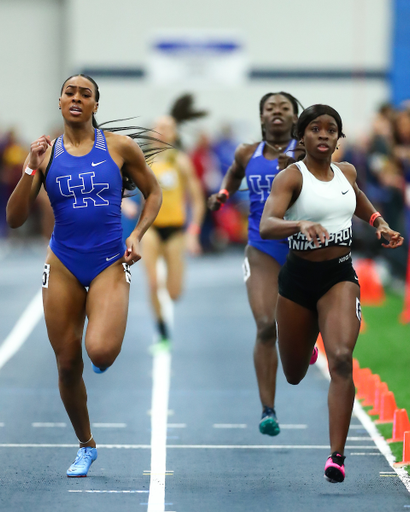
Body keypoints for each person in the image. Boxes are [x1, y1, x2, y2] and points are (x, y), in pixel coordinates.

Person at [6, 74, 162, 478]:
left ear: (95, 104)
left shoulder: (119, 147)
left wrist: (139, 235)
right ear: (60, 102)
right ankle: (86, 445)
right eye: (70, 92)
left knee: (101, 353)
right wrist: (29, 168)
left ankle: (101, 338)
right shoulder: (45, 153)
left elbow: (154, 193)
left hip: (110, 260)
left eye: (85, 94)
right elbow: (15, 218)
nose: (77, 98)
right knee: (66, 364)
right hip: (62, 263)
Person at [260, 104, 403, 483]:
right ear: (302, 136)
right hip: (296, 281)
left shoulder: (347, 172)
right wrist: (300, 223)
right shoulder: (291, 178)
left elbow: (355, 197)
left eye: (331, 130)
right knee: (292, 374)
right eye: (315, 129)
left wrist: (379, 223)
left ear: (338, 138)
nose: (323, 135)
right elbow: (267, 224)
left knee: (340, 358)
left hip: (339, 276)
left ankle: (336, 456)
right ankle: (305, 345)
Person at [208, 92, 315, 437]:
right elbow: (234, 174)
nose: (277, 113)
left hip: (303, 247)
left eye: (285, 108)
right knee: (266, 324)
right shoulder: (245, 152)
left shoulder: (307, 153)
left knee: (298, 320)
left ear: (296, 118)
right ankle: (268, 409)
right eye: (271, 108)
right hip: (262, 246)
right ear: (261, 117)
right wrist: (224, 195)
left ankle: (307, 336)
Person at [141, 114, 205, 344]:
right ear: (152, 132)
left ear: (174, 134)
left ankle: (168, 302)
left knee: (174, 292)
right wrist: (125, 203)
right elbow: (118, 186)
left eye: (168, 127)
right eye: (159, 126)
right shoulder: (143, 161)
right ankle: (161, 329)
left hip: (175, 230)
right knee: (152, 283)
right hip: (150, 229)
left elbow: (197, 200)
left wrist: (193, 231)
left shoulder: (181, 162)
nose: (163, 131)